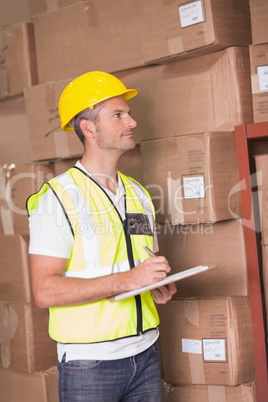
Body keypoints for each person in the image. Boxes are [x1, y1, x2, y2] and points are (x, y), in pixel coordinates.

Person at [27, 71, 177, 402]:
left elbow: (137, 266)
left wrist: (154, 286)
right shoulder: (59, 197)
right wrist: (128, 281)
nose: (132, 121)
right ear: (89, 128)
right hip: (91, 364)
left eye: (128, 112)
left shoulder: (138, 193)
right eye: (118, 115)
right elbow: (44, 290)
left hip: (146, 353)